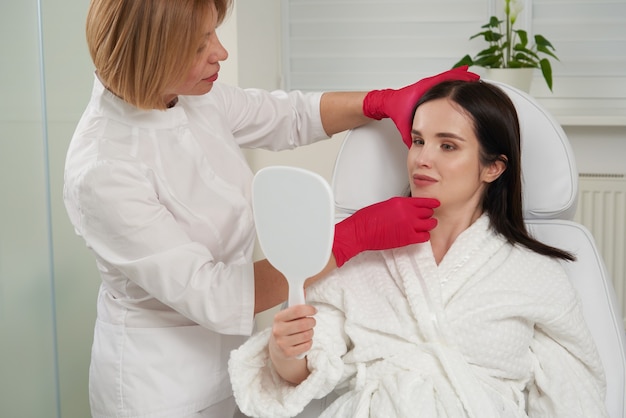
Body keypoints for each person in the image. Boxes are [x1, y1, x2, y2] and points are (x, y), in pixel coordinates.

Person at [62, 0, 480, 416]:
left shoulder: (184, 96)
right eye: (198, 45)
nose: (220, 52)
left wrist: (378, 101)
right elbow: (219, 295)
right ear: (152, 57)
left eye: (213, 32)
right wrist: (355, 234)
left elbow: (288, 114)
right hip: (159, 386)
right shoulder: (104, 170)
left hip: (233, 365)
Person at [228, 80, 609, 418]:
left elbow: (573, 396)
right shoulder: (362, 257)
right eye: (418, 141)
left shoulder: (535, 275)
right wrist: (285, 353)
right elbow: (306, 366)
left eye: (448, 145)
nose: (423, 159)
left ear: (492, 167)